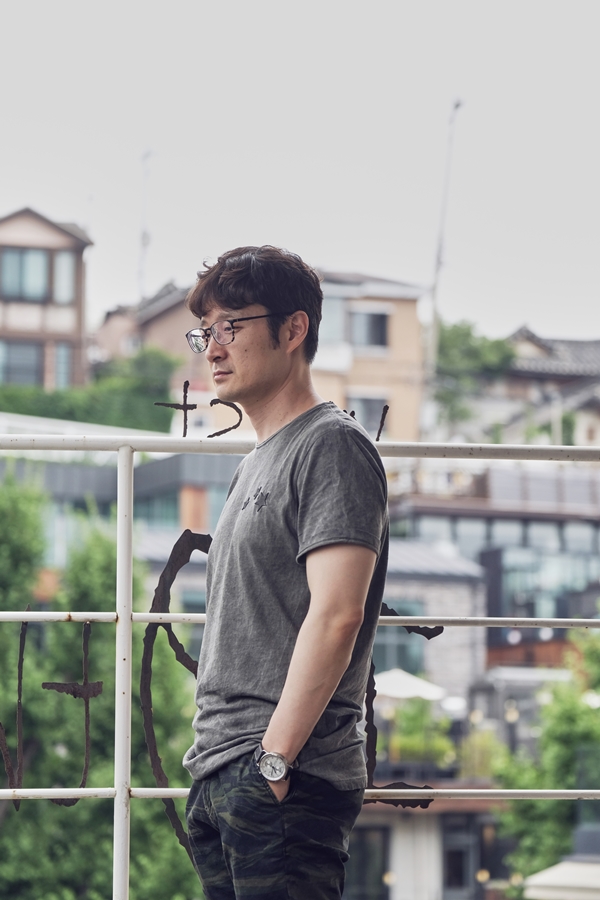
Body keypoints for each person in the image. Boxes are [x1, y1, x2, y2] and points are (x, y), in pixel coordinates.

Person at [183, 246, 389, 900]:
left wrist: (272, 764)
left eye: (231, 325)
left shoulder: (332, 445)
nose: (213, 348)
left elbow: (338, 614)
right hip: (221, 769)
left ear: (293, 329)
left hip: (284, 777)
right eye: (204, 332)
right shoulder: (253, 465)